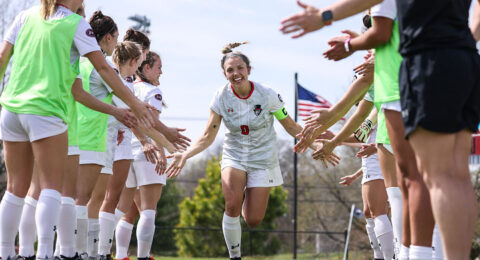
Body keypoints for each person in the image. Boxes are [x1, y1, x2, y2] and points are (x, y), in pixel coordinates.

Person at [281, 0, 480, 258]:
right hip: (465, 61)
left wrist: (328, 20)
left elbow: (380, 30)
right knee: (456, 176)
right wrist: (465, 39)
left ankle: (419, 254)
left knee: (426, 180)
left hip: (426, 64)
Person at [0, 0, 155, 259]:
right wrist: (136, 105)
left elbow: (3, 58)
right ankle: (45, 254)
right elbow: (105, 68)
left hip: (12, 109)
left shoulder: (25, 17)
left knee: (16, 188)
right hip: (46, 111)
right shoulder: (75, 24)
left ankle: (6, 253)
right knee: (52, 188)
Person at [166, 42, 339, 260]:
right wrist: (186, 154)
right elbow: (208, 135)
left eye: (240, 68)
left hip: (263, 159)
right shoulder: (220, 97)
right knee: (231, 206)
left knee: (253, 220)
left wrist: (317, 145)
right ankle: (235, 256)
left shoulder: (267, 95)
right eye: (230, 70)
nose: (236, 73)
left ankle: (247, 190)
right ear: (224, 74)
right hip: (234, 155)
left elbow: (292, 126)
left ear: (249, 70)